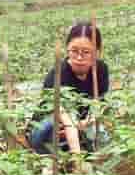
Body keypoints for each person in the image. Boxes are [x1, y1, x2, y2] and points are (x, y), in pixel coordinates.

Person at [28, 22, 109, 155]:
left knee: (101, 136)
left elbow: (99, 103)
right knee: (46, 132)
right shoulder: (58, 74)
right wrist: (77, 162)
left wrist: (88, 121)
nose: (79, 57)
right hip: (51, 126)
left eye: (86, 52)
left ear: (97, 52)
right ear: (67, 49)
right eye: (74, 51)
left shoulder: (101, 70)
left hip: (80, 123)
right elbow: (67, 119)